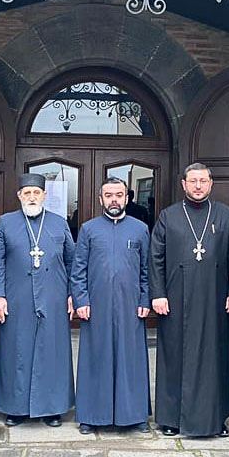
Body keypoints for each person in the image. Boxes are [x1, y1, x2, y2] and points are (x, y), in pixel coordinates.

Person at [150, 163, 229, 438]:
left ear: (211, 184)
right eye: (193, 181)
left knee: (214, 358)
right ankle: (171, 418)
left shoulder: (224, 214)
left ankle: (216, 418)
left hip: (214, 299)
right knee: (175, 358)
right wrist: (158, 294)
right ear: (183, 184)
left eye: (203, 181)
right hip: (174, 299)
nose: (198, 186)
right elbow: (156, 258)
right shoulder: (168, 216)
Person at [0, 173, 76, 427]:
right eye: (26, 193)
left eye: (36, 193)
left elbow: (72, 261)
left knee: (52, 352)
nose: (31, 197)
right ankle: (15, 408)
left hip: (54, 296)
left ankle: (52, 408)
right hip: (17, 296)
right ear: (19, 196)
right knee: (17, 350)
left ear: (44, 196)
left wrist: (73, 294)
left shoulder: (59, 223)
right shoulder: (6, 223)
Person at [71, 177, 151, 434]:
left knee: (131, 360)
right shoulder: (88, 229)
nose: (114, 199)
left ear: (127, 198)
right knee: (96, 358)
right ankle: (91, 415)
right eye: (108, 195)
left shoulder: (140, 229)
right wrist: (81, 300)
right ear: (100, 199)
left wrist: (145, 299)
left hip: (130, 306)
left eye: (118, 194)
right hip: (97, 306)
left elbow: (146, 270)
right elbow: (78, 269)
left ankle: (135, 415)